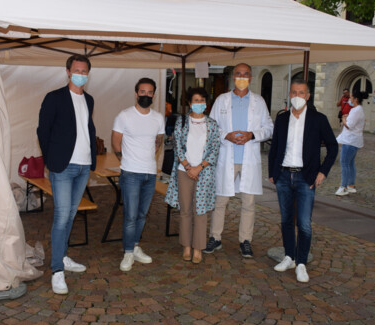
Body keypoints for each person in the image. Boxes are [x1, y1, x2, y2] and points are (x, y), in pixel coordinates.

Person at [37, 55, 97, 295]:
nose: (80, 74)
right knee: (61, 217)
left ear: (88, 74)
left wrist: (91, 159)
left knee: (71, 215)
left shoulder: (89, 99)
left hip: (83, 166)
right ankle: (56, 270)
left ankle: (62, 256)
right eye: (77, 70)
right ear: (68, 72)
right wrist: (51, 161)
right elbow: (43, 130)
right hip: (63, 166)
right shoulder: (54, 98)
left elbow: (86, 129)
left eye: (84, 71)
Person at [268, 79, 338, 283]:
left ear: (308, 96)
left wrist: (322, 172)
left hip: (305, 177)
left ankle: (301, 263)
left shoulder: (318, 119)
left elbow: (333, 147)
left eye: (301, 93)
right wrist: (273, 172)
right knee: (286, 220)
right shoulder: (282, 119)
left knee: (305, 224)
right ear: (289, 95)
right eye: (294, 92)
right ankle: (289, 256)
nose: (297, 96)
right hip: (283, 176)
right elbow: (275, 148)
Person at [207, 63, 274, 258]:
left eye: (246, 74)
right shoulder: (222, 100)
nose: (242, 77)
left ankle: (245, 240)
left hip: (249, 159)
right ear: (233, 77)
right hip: (227, 156)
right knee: (221, 200)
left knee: (248, 202)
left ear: (251, 78)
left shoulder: (259, 101)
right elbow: (211, 126)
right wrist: (226, 135)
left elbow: (269, 127)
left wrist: (252, 134)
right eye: (238, 74)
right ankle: (215, 237)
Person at [112, 78, 165, 272]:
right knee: (131, 215)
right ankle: (127, 252)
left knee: (142, 214)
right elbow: (115, 140)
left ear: (153, 95)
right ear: (136, 93)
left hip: (150, 174)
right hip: (131, 173)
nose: (146, 95)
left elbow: (159, 139)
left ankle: (135, 247)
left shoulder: (158, 118)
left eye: (149, 92)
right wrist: (124, 160)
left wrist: (150, 156)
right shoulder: (124, 116)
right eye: (142, 91)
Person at [165, 88, 220, 264]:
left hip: (204, 172)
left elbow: (214, 149)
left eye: (202, 100)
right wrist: (189, 167)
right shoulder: (181, 122)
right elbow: (178, 147)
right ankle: (186, 246)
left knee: (200, 211)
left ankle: (198, 248)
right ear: (189, 103)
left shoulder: (212, 124)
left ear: (206, 103)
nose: (199, 104)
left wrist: (199, 168)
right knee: (186, 210)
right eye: (195, 100)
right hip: (184, 171)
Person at [335, 90, 366, 196]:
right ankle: (351, 185)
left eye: (351, 97)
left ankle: (343, 186)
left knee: (344, 163)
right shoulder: (358, 109)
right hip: (353, 140)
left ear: (355, 99)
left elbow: (349, 125)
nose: (349, 99)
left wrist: (344, 119)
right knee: (350, 163)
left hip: (350, 141)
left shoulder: (356, 110)